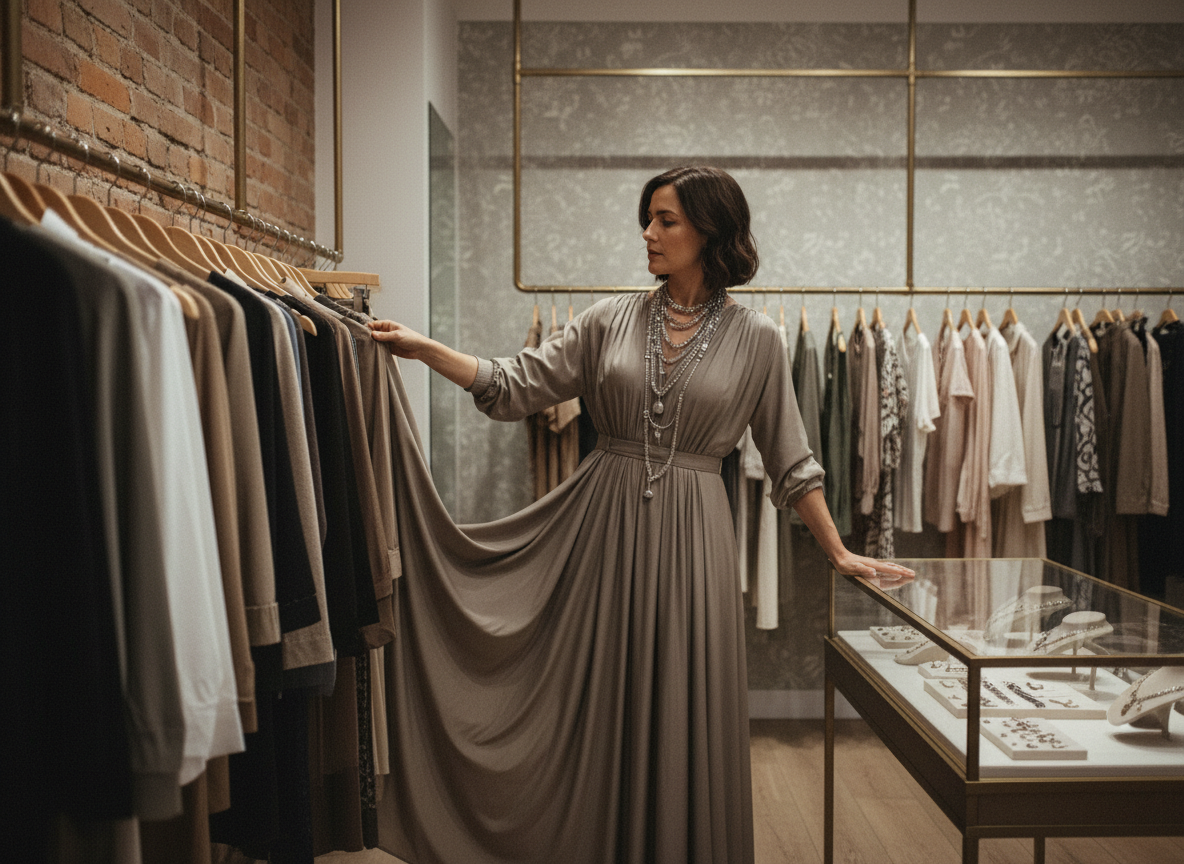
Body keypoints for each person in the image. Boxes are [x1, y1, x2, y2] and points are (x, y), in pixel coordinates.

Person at [367, 166, 913, 864]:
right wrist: (425, 349)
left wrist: (839, 551)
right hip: (601, 528)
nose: (649, 233)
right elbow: (514, 388)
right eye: (648, 219)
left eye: (666, 220)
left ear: (710, 231)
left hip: (696, 538)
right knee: (595, 700)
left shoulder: (760, 341)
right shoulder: (606, 320)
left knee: (683, 702)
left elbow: (791, 460)